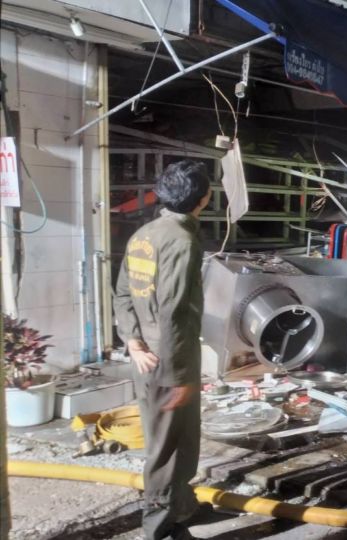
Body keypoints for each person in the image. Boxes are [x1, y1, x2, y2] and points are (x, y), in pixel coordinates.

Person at [114, 161, 212, 540]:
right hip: (167, 361)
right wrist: (179, 378)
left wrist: (132, 340)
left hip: (149, 354)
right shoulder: (181, 241)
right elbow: (172, 311)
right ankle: (155, 526)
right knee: (166, 447)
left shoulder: (145, 233)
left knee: (185, 437)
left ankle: (182, 507)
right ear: (202, 198)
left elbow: (123, 292)